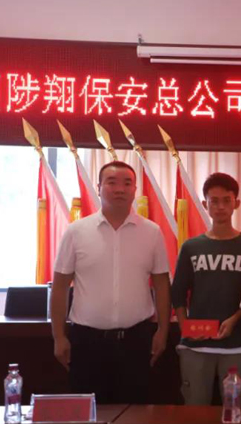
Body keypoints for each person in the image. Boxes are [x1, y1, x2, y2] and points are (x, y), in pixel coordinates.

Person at [51, 160, 171, 404]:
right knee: (89, 414)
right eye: (112, 182)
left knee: (135, 414)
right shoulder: (76, 232)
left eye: (127, 183)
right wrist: (59, 336)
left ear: (134, 190)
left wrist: (163, 330)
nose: (119, 189)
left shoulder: (152, 232)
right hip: (87, 342)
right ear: (99, 187)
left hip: (136, 341)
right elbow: (60, 286)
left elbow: (161, 285)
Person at [171, 173, 241, 406]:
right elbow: (178, 293)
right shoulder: (191, 247)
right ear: (205, 204)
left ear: (236, 203)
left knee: (235, 410)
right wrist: (185, 328)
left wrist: (235, 319)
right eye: (214, 201)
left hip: (236, 343)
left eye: (226, 200)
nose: (220, 207)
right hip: (196, 345)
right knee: (194, 409)